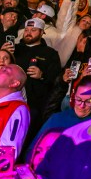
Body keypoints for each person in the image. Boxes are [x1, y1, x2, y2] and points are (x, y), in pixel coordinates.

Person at [11, 17, 61, 145]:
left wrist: (42, 75)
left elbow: (56, 79)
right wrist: (5, 54)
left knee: (25, 138)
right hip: (11, 98)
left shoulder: (50, 53)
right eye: (26, 29)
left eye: (33, 30)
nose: (28, 32)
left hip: (34, 104)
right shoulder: (14, 49)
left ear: (42, 32)